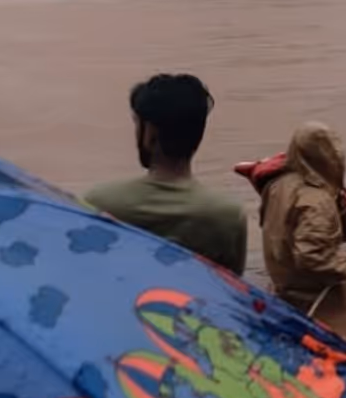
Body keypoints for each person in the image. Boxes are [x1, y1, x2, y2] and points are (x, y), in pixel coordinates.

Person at [84, 74, 247, 274]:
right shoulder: (227, 217)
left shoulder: (98, 203)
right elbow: (234, 293)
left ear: (150, 134)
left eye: (137, 124)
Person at [259, 122, 346, 305]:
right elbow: (312, 259)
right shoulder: (318, 202)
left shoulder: (278, 183)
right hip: (314, 297)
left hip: (281, 281)